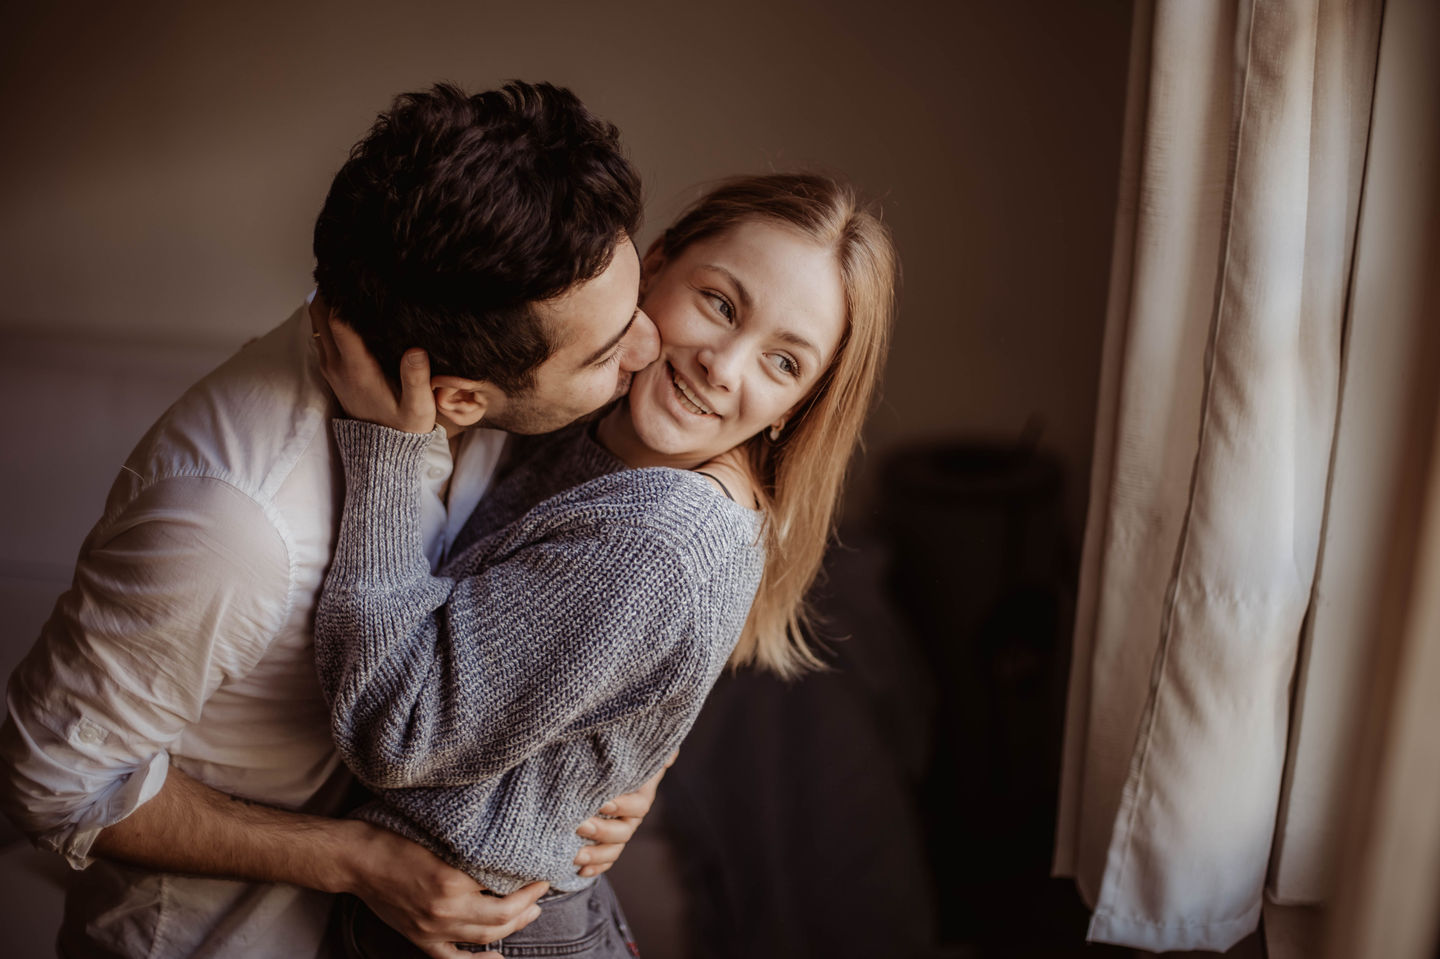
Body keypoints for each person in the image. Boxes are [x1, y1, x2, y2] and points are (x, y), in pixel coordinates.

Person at [0, 82, 667, 959]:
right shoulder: (232, 529)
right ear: (460, 396)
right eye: (608, 350)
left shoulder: (465, 355)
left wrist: (637, 769)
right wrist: (354, 860)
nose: (648, 348)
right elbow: (46, 780)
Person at [311, 172, 899, 956]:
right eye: (721, 304)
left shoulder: (665, 537)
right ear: (652, 266)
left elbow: (400, 727)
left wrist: (384, 451)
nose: (725, 366)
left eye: (783, 363)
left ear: (796, 407)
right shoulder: (591, 418)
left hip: (478, 934)